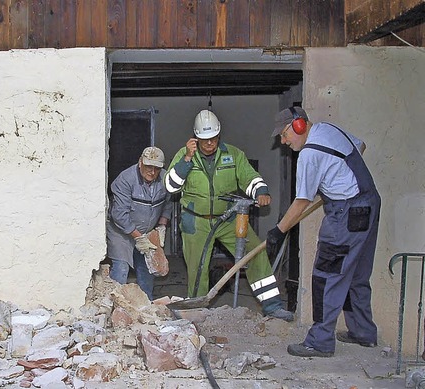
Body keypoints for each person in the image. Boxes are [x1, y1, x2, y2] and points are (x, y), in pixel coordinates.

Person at [268, 106, 381, 358]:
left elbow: (301, 202)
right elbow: (359, 148)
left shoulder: (309, 154)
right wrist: (333, 177)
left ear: (299, 126)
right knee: (356, 274)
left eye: (285, 134)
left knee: (325, 275)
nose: (284, 142)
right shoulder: (328, 130)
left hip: (346, 215)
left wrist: (279, 231)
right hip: (370, 203)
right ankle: (363, 332)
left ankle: (319, 341)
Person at [165, 109, 293, 321]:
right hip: (196, 220)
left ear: (219, 135)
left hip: (229, 217)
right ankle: (197, 312)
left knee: (255, 252)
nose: (209, 144)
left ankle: (272, 306)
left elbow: (248, 176)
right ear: (195, 137)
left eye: (213, 139)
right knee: (198, 268)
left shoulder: (232, 154)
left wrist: (260, 191)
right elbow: (171, 187)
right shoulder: (184, 155)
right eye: (204, 140)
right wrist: (187, 159)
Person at [106, 147, 171, 300]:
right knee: (121, 269)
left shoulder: (165, 179)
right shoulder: (125, 180)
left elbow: (167, 204)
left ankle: (145, 308)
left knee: (147, 271)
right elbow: (119, 215)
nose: (152, 172)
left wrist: (161, 226)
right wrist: (138, 237)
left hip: (146, 231)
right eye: (149, 166)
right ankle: (115, 305)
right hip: (121, 232)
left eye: (156, 168)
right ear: (140, 162)